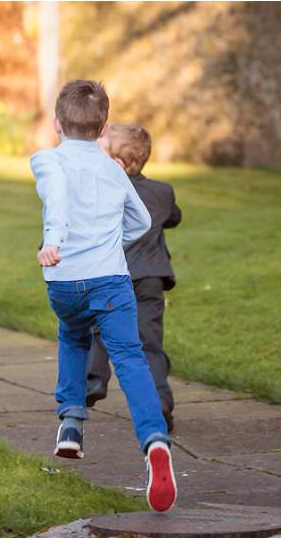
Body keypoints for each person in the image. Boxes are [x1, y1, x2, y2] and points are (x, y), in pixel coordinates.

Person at [30, 79, 177, 512]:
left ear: (57, 122)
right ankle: (154, 442)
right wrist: (113, 242)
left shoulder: (46, 161)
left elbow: (56, 196)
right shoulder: (113, 169)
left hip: (65, 278)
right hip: (112, 280)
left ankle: (72, 423)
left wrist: (55, 239)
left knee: (73, 336)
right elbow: (142, 220)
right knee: (130, 359)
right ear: (103, 127)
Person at [87, 124, 182, 432]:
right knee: (149, 343)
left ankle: (93, 380)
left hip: (111, 275)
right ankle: (160, 402)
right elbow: (174, 217)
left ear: (117, 164)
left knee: (99, 327)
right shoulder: (162, 192)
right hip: (150, 279)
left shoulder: (100, 191)